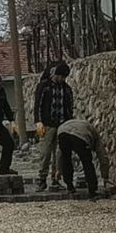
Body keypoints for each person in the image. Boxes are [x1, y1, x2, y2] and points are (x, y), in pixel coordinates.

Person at [34, 61, 74, 192]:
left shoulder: (67, 89)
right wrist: (38, 121)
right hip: (48, 124)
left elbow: (69, 107)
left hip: (62, 124)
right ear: (55, 74)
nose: (62, 79)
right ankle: (42, 179)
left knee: (59, 154)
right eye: (61, 76)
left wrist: (69, 122)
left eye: (64, 77)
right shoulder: (44, 87)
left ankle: (56, 179)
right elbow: (37, 104)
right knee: (45, 152)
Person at [57, 117, 111, 200]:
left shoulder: (82, 126)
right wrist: (105, 177)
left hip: (62, 131)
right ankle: (92, 191)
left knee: (66, 159)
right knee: (87, 163)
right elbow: (103, 156)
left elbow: (60, 154)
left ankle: (70, 186)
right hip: (80, 136)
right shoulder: (95, 135)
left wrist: (59, 170)